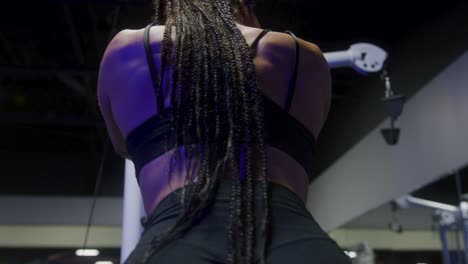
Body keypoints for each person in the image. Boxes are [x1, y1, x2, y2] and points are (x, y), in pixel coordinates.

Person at [98, 0, 352, 263]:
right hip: (295, 242)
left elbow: (123, 146)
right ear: (244, 4)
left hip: (175, 240)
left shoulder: (128, 48)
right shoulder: (301, 54)